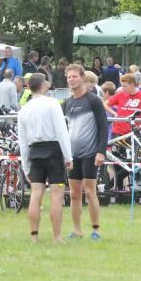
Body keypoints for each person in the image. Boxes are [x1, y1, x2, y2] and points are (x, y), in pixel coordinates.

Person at [16, 73, 72, 243]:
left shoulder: (24, 109)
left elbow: (22, 141)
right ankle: (57, 236)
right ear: (42, 85)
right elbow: (61, 131)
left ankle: (34, 236)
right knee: (56, 194)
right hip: (54, 150)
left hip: (35, 151)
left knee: (35, 194)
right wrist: (68, 156)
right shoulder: (52, 103)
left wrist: (25, 165)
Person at [63, 64, 108, 239]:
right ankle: (76, 230)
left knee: (90, 191)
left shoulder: (93, 100)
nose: (71, 80)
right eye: (68, 77)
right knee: (74, 194)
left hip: (90, 153)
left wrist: (101, 151)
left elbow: (103, 127)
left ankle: (96, 229)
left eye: (74, 76)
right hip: (72, 154)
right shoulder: (67, 103)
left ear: (82, 78)